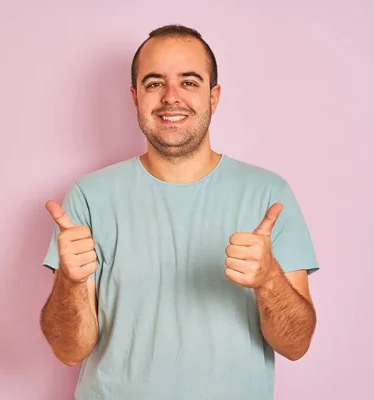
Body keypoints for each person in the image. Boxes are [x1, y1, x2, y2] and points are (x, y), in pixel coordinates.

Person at [40, 24, 319, 400]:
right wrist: (70, 284)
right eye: (155, 83)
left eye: (189, 82)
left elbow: (296, 345)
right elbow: (68, 351)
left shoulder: (269, 194)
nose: (171, 97)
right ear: (135, 96)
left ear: (213, 96)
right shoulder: (88, 196)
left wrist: (269, 279)